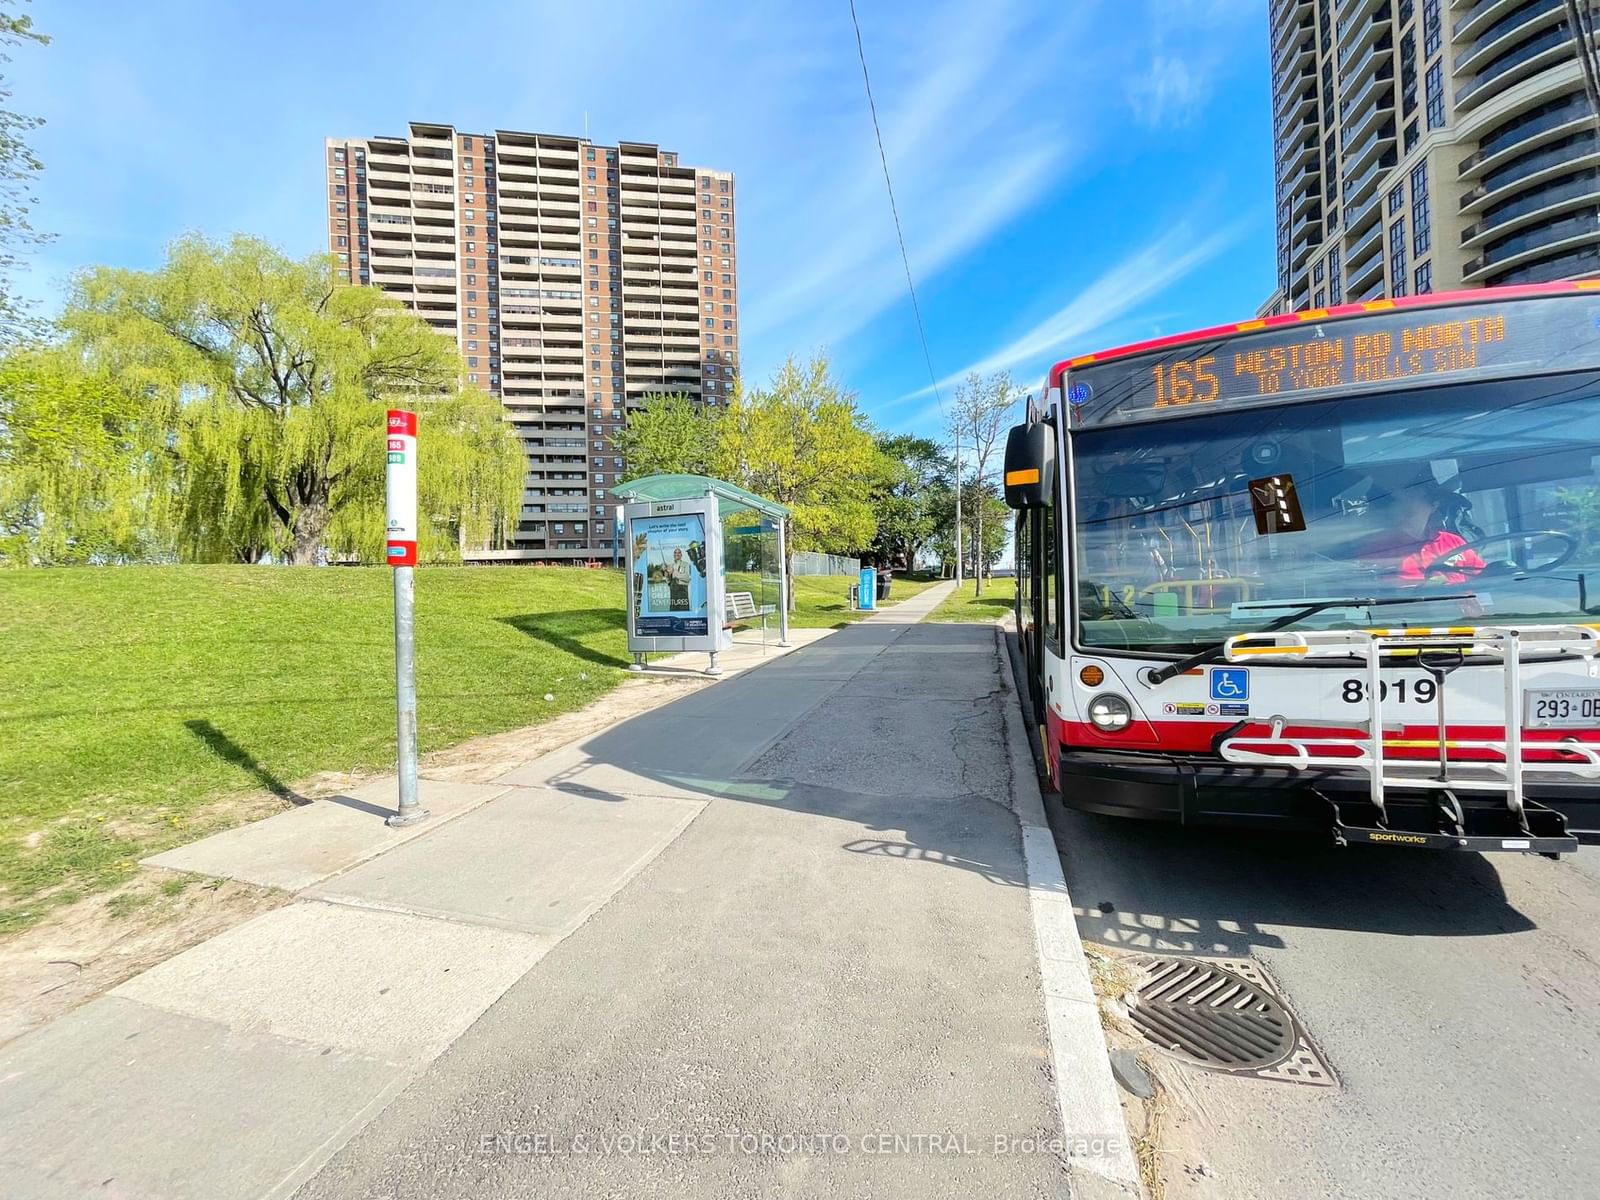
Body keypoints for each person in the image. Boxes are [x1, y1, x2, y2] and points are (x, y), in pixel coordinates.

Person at [1353, 482, 1485, 585]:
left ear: (1434, 505)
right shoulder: (1374, 549)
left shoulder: (1453, 542)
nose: (1407, 503)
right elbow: (1376, 598)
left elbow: (1485, 579)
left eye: (1414, 495)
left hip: (1467, 618)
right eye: (1399, 498)